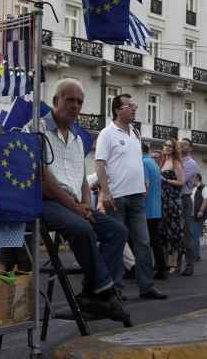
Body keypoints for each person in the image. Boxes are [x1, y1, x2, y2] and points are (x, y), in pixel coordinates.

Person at [32, 78, 129, 320]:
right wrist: (77, 208)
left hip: (73, 204)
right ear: (56, 101)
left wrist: (85, 203)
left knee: (117, 231)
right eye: (70, 100)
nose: (75, 106)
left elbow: (83, 180)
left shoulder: (77, 138)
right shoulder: (36, 129)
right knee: (82, 227)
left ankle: (92, 295)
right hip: (46, 202)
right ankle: (105, 292)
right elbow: (45, 182)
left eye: (79, 102)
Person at [95, 93, 168, 300]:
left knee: (143, 242)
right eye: (130, 105)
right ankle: (115, 288)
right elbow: (100, 164)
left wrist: (143, 184)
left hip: (136, 197)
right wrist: (105, 191)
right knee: (117, 243)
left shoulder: (135, 133)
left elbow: (135, 163)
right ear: (118, 109)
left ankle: (146, 286)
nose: (134, 108)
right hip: (116, 197)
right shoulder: (107, 134)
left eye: (134, 105)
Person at [159, 138, 185, 275]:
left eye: (170, 146)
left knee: (173, 233)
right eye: (165, 145)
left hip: (173, 201)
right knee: (163, 232)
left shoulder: (176, 163)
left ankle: (173, 264)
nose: (167, 147)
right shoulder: (162, 162)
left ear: (174, 148)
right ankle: (165, 263)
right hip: (162, 200)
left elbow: (182, 182)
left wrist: (166, 180)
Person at [142, 142, 167, 280]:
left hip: (147, 208)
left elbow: (145, 187)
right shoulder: (153, 163)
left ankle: (152, 269)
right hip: (155, 208)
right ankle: (161, 268)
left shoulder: (144, 162)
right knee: (155, 240)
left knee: (146, 241)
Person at [178, 138, 200, 276]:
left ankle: (189, 264)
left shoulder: (191, 163)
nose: (182, 145)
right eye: (181, 144)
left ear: (190, 148)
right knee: (176, 234)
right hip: (176, 199)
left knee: (186, 233)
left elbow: (181, 181)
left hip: (184, 199)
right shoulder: (178, 161)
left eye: (185, 144)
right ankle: (176, 264)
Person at [191, 173, 207, 263]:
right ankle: (194, 254)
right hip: (190, 215)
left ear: (197, 178)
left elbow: (206, 200)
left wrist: (201, 211)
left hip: (197, 215)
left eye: (192, 178)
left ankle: (196, 255)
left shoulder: (204, 188)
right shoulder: (192, 188)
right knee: (191, 235)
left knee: (195, 235)